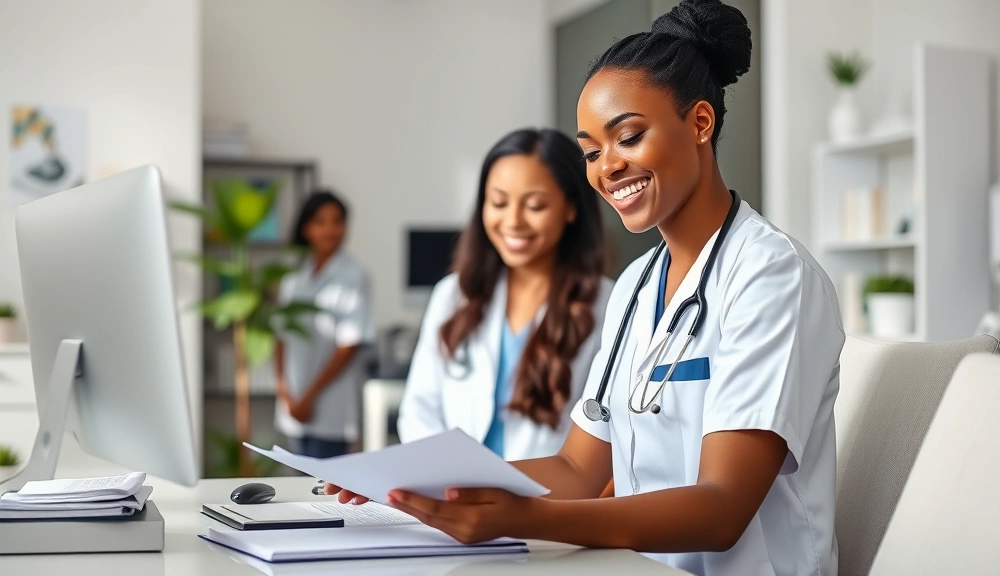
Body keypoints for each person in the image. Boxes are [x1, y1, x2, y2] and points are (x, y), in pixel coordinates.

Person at [327, 1, 844, 574]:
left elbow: (721, 511)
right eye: (592, 152)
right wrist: (414, 485)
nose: (608, 168)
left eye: (628, 137)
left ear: (700, 123)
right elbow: (578, 469)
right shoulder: (635, 287)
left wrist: (518, 518)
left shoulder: (770, 275)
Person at [397, 128, 614, 461]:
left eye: (535, 205)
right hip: (454, 492)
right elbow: (419, 408)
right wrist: (445, 473)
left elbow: (606, 436)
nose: (513, 221)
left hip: (548, 503)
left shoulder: (609, 305)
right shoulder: (453, 295)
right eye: (498, 202)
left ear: (571, 209)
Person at [274, 191, 374, 459]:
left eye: (338, 221)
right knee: (294, 488)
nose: (331, 229)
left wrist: (309, 397)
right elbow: (280, 337)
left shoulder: (354, 276)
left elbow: (348, 346)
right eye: (321, 221)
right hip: (293, 405)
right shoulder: (293, 277)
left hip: (329, 407)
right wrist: (285, 392)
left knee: (322, 491)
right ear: (306, 228)